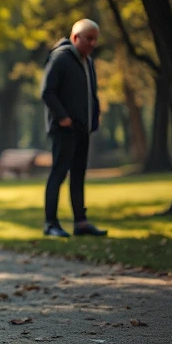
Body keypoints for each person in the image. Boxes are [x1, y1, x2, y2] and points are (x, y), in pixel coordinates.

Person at [40, 19, 108, 238]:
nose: (93, 43)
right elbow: (47, 92)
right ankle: (50, 223)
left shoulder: (87, 61)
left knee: (78, 175)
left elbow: (92, 94)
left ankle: (81, 223)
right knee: (58, 174)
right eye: (89, 38)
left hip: (83, 128)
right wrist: (63, 117)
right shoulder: (60, 58)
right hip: (64, 129)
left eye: (95, 39)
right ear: (76, 37)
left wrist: (94, 119)